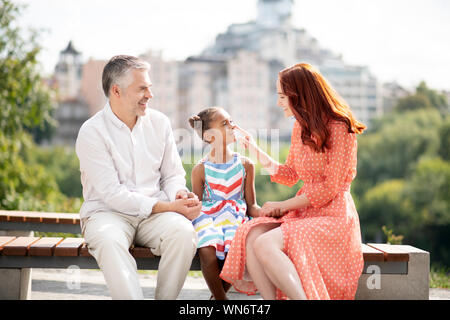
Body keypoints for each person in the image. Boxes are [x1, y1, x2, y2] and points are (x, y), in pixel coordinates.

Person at [220, 63, 366, 300]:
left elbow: (329, 189)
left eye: (282, 96)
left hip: (333, 217)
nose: (278, 103)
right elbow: (289, 174)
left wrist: (282, 206)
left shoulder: (341, 127)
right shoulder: (300, 127)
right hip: (304, 212)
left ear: (300, 96)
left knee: (265, 244)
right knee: (251, 234)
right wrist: (254, 148)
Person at [75, 55, 202, 300]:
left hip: (154, 216)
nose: (149, 95)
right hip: (106, 213)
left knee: (184, 233)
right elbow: (112, 195)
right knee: (110, 241)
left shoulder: (160, 123)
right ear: (116, 91)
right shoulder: (92, 132)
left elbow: (173, 174)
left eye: (150, 88)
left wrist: (179, 194)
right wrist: (168, 206)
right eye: (142, 88)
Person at [188, 107, 260, 300]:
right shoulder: (200, 170)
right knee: (207, 250)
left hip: (236, 218)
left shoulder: (245, 165)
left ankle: (218, 297)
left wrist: (268, 213)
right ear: (209, 136)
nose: (232, 126)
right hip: (208, 218)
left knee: (236, 249)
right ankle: (221, 299)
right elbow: (197, 205)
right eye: (224, 124)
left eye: (230, 121)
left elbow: (252, 205)